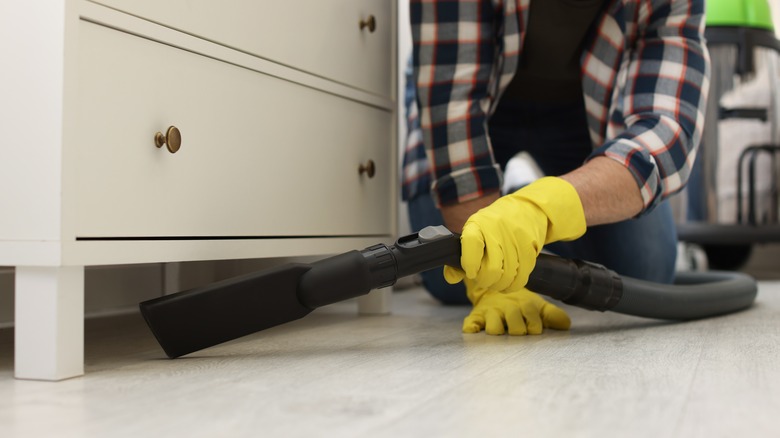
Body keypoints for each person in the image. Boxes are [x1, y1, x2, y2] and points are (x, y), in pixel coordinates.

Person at [403, 0, 710, 335]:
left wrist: (549, 207)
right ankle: (514, 210)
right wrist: (490, 277)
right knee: (446, 276)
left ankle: (523, 207)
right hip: (472, 94)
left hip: (583, 112)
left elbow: (666, 129)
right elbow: (453, 108)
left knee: (645, 267)